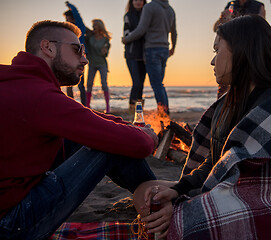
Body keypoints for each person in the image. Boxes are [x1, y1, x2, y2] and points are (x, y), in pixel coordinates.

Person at [136, 16, 271, 239]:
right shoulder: (232, 101)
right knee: (145, 192)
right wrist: (177, 190)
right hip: (228, 189)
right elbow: (216, 164)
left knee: (185, 222)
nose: (212, 62)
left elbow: (247, 184)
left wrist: (180, 205)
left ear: (242, 52)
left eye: (216, 51)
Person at [0, 20, 159, 240]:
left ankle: (157, 197)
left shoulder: (20, 83)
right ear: (48, 48)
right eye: (77, 50)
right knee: (110, 145)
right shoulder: (40, 97)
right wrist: (146, 135)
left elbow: (88, 118)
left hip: (9, 207)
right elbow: (138, 144)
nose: (84, 58)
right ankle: (161, 206)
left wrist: (129, 127)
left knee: (89, 137)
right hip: (11, 225)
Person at [122, 0, 177, 116]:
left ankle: (164, 114)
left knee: (157, 85)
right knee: (158, 84)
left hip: (152, 49)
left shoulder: (149, 7)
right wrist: (173, 47)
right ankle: (163, 113)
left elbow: (141, 30)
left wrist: (126, 39)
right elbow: (174, 32)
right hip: (164, 49)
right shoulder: (170, 10)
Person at [213, 0, 265, 99]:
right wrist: (222, 19)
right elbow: (216, 28)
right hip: (229, 50)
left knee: (247, 91)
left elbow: (262, 29)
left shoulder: (258, 6)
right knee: (223, 94)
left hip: (249, 54)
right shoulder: (231, 5)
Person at [63, 1, 90, 105]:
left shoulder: (79, 27)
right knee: (68, 81)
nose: (66, 21)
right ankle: (70, 104)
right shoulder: (66, 31)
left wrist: (70, 6)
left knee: (81, 83)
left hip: (80, 56)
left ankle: (85, 106)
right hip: (69, 56)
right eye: (66, 19)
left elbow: (77, 14)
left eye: (68, 19)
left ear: (73, 19)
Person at [124, 0, 147, 114]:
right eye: (135, 0)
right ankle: (131, 108)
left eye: (140, 0)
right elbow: (126, 34)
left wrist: (136, 34)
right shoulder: (128, 16)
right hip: (132, 54)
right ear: (132, 2)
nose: (138, 2)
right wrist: (138, 34)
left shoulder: (147, 14)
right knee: (136, 83)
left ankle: (139, 110)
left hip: (144, 55)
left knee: (141, 84)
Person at [85, 19, 112, 113]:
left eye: (95, 25)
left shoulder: (105, 39)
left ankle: (108, 107)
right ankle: (87, 106)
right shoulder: (89, 38)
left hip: (102, 64)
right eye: (93, 25)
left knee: (104, 84)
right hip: (92, 63)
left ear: (100, 27)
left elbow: (106, 53)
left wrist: (105, 50)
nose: (93, 27)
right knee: (89, 84)